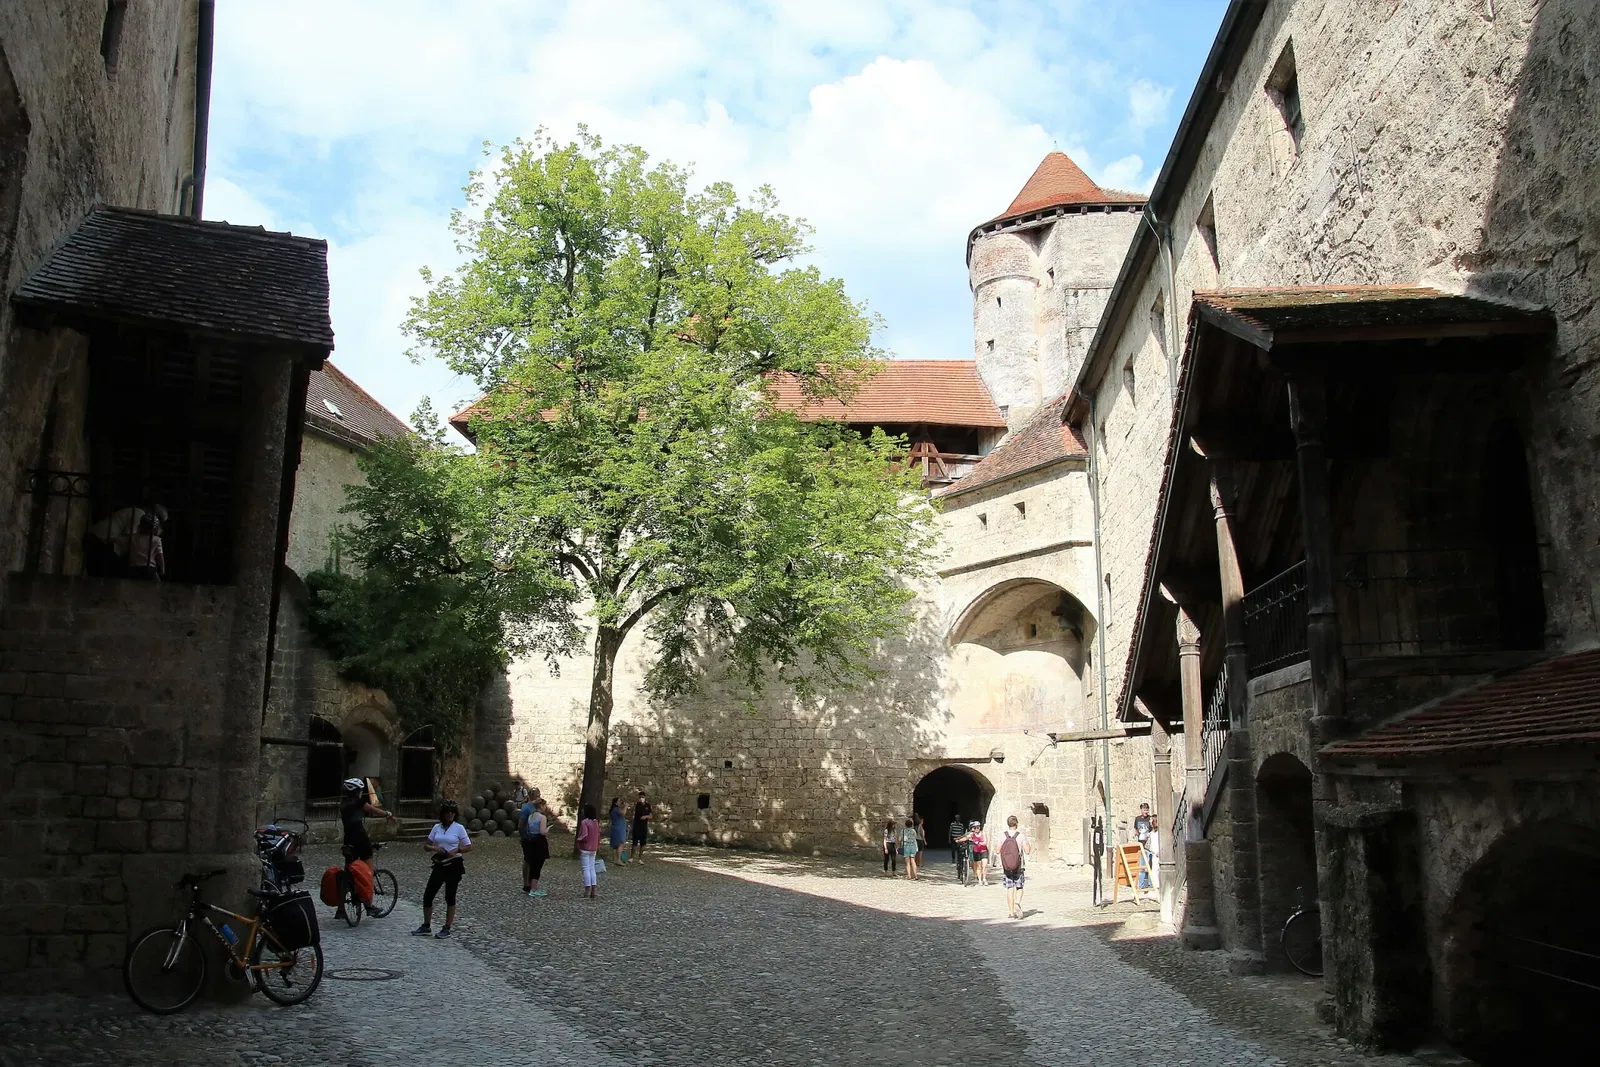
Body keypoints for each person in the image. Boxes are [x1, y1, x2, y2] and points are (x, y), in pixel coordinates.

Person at [336, 777, 394, 922]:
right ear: (358, 791)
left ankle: (341, 909)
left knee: (348, 872)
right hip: (361, 840)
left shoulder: (343, 804)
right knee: (367, 873)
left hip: (348, 842)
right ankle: (369, 906)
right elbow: (373, 810)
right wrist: (387, 814)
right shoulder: (359, 802)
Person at [414, 799, 471, 938]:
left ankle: (447, 927)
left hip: (454, 864)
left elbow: (469, 846)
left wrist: (457, 850)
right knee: (428, 894)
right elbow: (426, 845)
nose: (450, 814)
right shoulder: (437, 827)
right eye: (447, 812)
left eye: (453, 812)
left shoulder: (459, 828)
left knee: (450, 896)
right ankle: (426, 925)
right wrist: (434, 848)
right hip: (440, 864)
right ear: (443, 813)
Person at [85, 503, 167, 578]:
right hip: (103, 540)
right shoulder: (140, 514)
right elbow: (131, 537)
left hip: (103, 539)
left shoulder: (139, 514)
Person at [998, 814, 1031, 919]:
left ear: (1008, 824)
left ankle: (1011, 912)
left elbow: (997, 850)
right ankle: (1017, 902)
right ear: (1016, 823)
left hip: (1007, 866)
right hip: (1018, 865)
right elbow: (1027, 851)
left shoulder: (1003, 836)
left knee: (1009, 888)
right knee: (1019, 886)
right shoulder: (1021, 836)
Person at [520, 791, 550, 897]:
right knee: (537, 865)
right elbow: (542, 832)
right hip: (539, 842)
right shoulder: (542, 817)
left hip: (531, 841)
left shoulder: (531, 816)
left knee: (532, 864)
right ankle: (534, 888)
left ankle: (530, 886)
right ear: (541, 806)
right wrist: (547, 830)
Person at [577, 803, 602, 899]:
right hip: (593, 848)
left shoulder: (584, 822)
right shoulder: (596, 822)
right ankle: (594, 890)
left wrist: (578, 841)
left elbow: (584, 835)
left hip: (585, 848)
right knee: (592, 868)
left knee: (586, 868)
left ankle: (587, 889)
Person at [630, 791, 652, 864]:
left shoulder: (648, 805)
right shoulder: (637, 805)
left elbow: (651, 816)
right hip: (637, 826)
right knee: (634, 843)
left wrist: (646, 816)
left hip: (644, 827)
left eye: (642, 797)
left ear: (645, 797)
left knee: (643, 843)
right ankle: (631, 857)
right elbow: (633, 813)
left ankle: (640, 858)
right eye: (640, 797)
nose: (641, 798)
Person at [948, 812, 969, 883]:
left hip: (959, 839)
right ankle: (954, 859)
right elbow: (950, 831)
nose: (957, 819)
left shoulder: (961, 825)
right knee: (953, 850)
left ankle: (959, 861)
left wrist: (961, 839)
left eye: (958, 818)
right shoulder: (952, 824)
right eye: (956, 818)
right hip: (954, 838)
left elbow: (962, 832)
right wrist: (949, 838)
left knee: (960, 851)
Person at [968, 821, 990, 885]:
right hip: (976, 852)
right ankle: (980, 880)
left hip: (983, 851)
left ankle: (984, 879)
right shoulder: (972, 834)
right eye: (975, 827)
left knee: (984, 866)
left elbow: (985, 843)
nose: (977, 829)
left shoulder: (983, 833)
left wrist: (978, 843)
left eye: (978, 827)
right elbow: (966, 838)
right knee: (979, 867)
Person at [609, 797, 628, 865]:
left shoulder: (614, 809)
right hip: (619, 829)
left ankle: (615, 859)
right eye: (619, 801)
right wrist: (625, 806)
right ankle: (618, 860)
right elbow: (623, 813)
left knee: (616, 844)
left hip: (617, 827)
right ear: (616, 803)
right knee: (621, 843)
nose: (621, 803)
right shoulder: (616, 809)